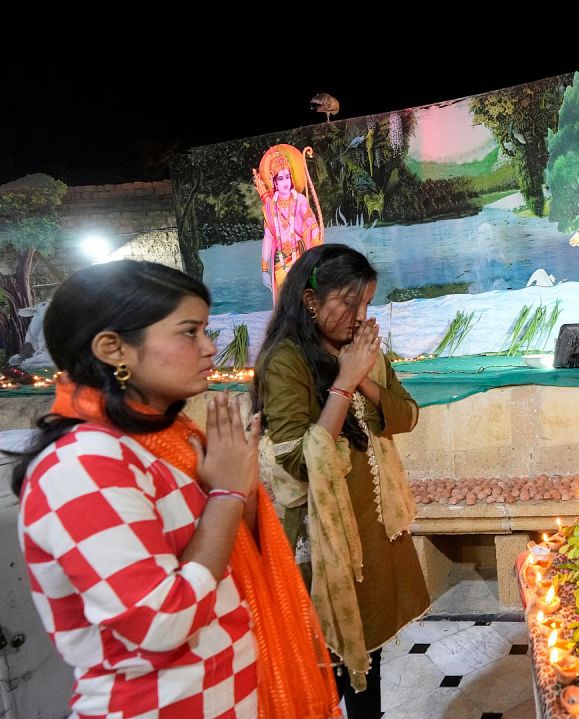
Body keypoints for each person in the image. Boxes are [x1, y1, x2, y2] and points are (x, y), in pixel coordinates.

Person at [13, 260, 338, 718]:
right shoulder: (81, 465)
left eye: (206, 329)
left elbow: (230, 559)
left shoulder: (170, 440)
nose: (210, 347)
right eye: (189, 332)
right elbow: (163, 622)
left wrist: (238, 490)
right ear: (113, 349)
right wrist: (226, 496)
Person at [253, 245, 429, 716]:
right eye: (349, 303)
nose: (360, 315)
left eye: (368, 303)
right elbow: (298, 462)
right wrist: (344, 381)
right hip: (324, 538)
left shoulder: (361, 349)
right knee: (325, 668)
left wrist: (363, 375)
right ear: (311, 301)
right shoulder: (286, 361)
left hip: (369, 529)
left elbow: (406, 415)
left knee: (365, 658)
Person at [255, 144, 325, 301]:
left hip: (299, 256)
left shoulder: (299, 200)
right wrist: (264, 269)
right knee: (285, 302)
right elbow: (268, 237)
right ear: (274, 182)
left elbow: (310, 223)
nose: (285, 182)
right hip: (280, 262)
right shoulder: (269, 207)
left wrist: (316, 237)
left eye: (287, 176)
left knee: (303, 299)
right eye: (280, 178)